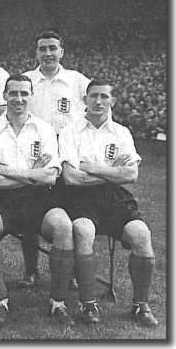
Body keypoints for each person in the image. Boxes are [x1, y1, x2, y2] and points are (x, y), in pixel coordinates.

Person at [0, 74, 75, 326]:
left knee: (64, 225)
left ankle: (58, 302)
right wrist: (33, 173)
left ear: (31, 96)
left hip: (40, 200)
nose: (18, 98)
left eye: (24, 93)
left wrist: (9, 171)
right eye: (13, 93)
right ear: (4, 96)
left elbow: (52, 176)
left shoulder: (44, 129)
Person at [59, 79, 158, 327]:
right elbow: (71, 178)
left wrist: (90, 167)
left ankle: (140, 305)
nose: (99, 101)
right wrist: (111, 171)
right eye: (94, 96)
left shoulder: (122, 132)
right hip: (80, 198)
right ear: (85, 100)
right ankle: (88, 303)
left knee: (142, 235)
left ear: (112, 101)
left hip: (115, 197)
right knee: (83, 230)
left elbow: (131, 175)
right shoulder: (70, 132)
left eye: (104, 97)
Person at [19, 31, 90, 288]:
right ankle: (30, 270)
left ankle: (67, 271)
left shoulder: (77, 81)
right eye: (42, 49)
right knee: (31, 210)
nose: (48, 53)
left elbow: (96, 110)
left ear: (62, 51)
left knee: (67, 209)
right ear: (36, 53)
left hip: (68, 147)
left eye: (52, 48)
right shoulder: (27, 80)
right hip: (35, 151)